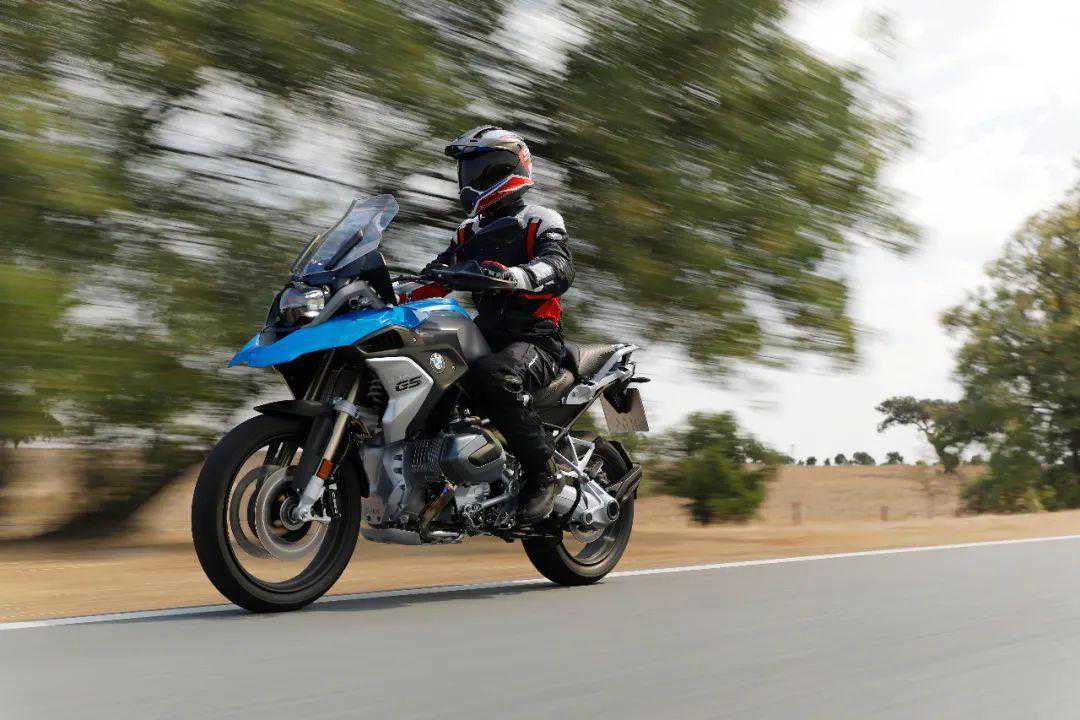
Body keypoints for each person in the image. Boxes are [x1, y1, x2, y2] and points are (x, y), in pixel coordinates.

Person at [418, 126, 574, 523]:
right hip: (485, 335)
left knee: (493, 375)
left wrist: (518, 276)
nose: (470, 180)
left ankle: (545, 475)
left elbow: (560, 266)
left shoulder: (539, 219)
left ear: (509, 168)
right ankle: (443, 474)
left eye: (480, 169)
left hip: (536, 338)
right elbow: (434, 277)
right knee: (431, 368)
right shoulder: (468, 231)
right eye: (466, 171)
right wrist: (385, 291)